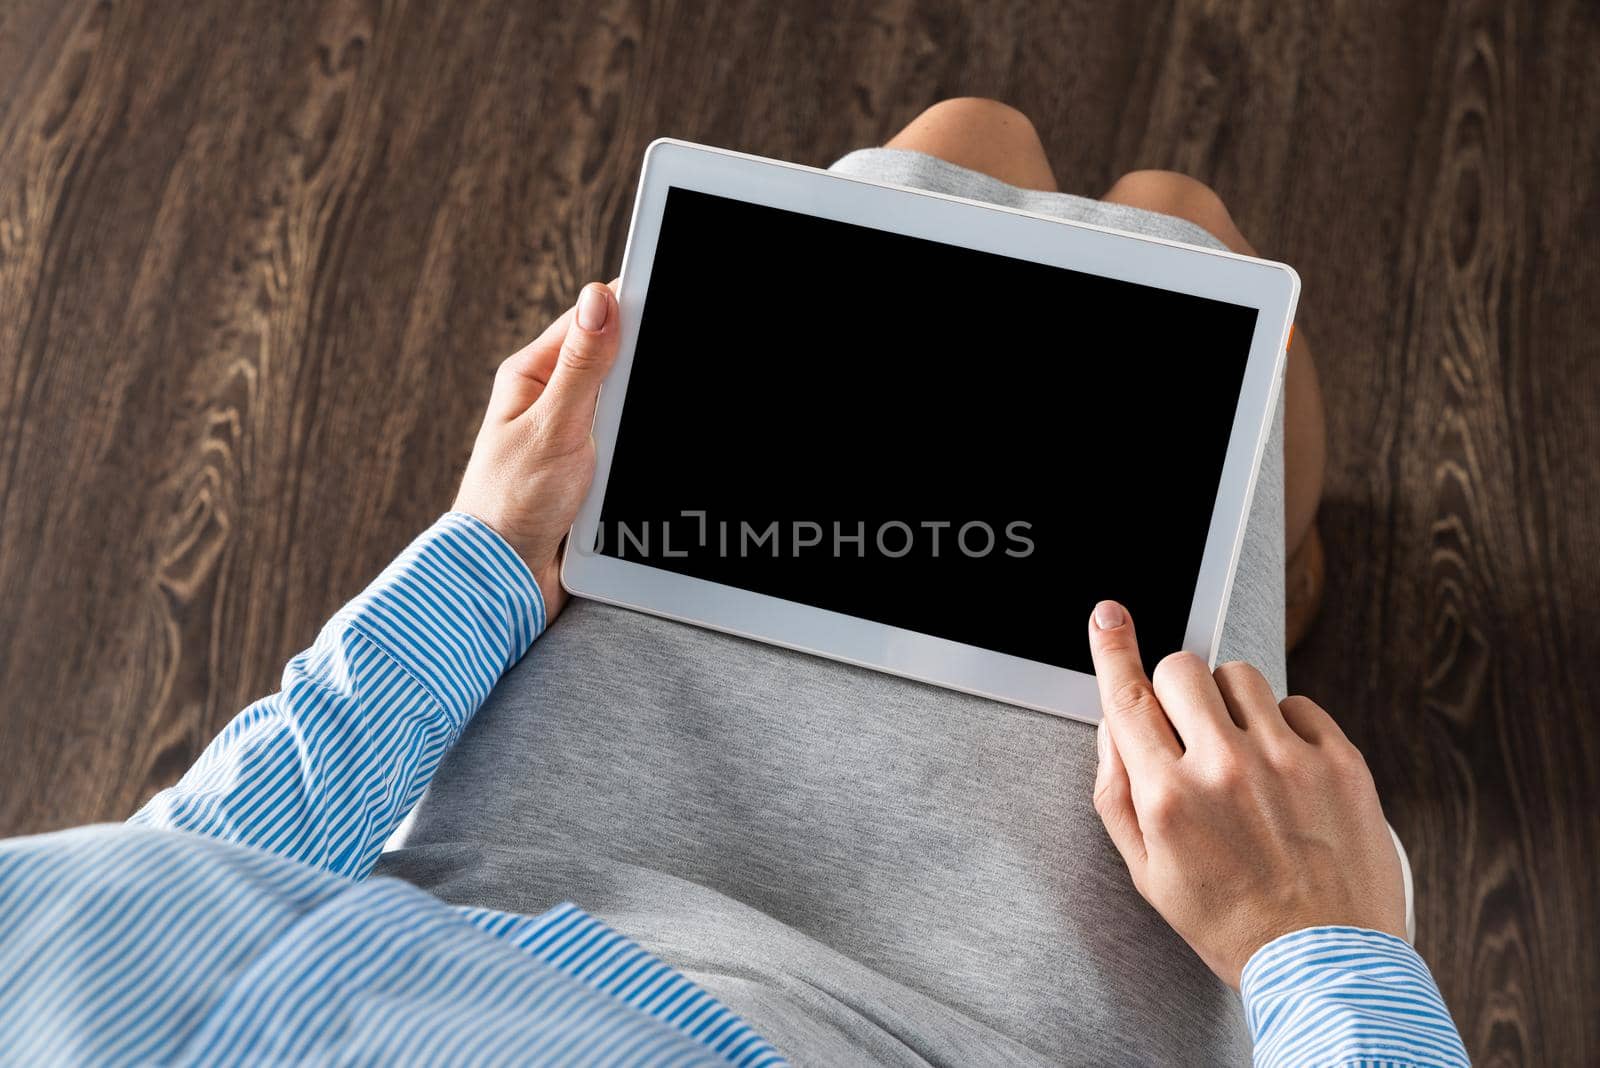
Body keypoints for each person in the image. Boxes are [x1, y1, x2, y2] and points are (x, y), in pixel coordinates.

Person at [0, 100, 1468, 1067]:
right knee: (1192, 246)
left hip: (516, 875)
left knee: (964, 143)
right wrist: (1313, 942)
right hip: (977, 1022)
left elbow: (173, 884)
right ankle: (1287, 564)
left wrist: (488, 563)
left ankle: (1279, 567)